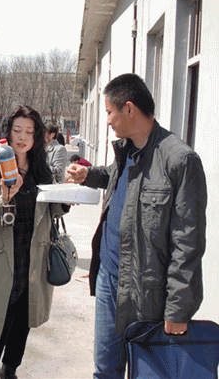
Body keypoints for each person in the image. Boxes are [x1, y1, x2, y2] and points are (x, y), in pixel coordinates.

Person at [66, 73, 207, 379]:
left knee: (148, 372)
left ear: (129, 109)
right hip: (109, 279)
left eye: (109, 112)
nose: (107, 120)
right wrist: (88, 176)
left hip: (148, 292)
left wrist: (178, 309)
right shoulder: (127, 150)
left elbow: (188, 241)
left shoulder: (179, 161)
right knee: (105, 369)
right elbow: (116, 178)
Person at [0, 105, 69, 379]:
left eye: (29, 132)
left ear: (37, 136)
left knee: (24, 320)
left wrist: (66, 200)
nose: (22, 137)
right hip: (2, 258)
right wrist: (5, 198)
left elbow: (51, 211)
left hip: (32, 257)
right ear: (8, 133)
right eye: (17, 130)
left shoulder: (41, 170)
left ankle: (9, 370)